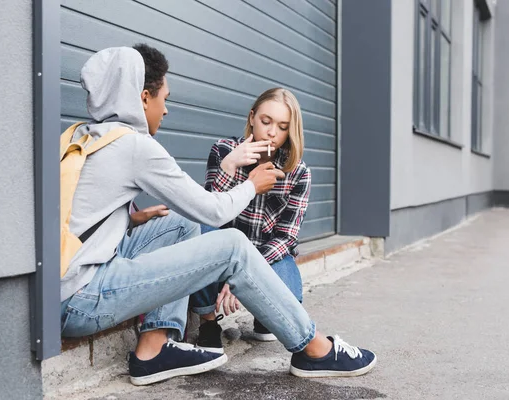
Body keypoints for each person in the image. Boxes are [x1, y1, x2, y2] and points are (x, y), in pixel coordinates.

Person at [60, 43, 376, 386]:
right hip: (81, 300)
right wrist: (252, 184)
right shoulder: (135, 146)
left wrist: (128, 219)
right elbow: (211, 209)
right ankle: (314, 349)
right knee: (231, 245)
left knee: (179, 223)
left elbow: (76, 209)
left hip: (66, 282)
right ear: (143, 97)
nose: (165, 110)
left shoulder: (84, 134)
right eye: (164, 97)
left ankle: (154, 349)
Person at [190, 88, 310, 353]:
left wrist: (248, 272)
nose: (271, 132)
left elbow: (286, 237)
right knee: (198, 231)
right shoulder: (223, 150)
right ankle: (208, 322)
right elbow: (207, 213)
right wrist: (229, 166)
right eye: (266, 121)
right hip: (220, 253)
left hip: (265, 256)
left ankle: (263, 315)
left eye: (281, 127)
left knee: (291, 297)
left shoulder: (297, 172)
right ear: (252, 117)